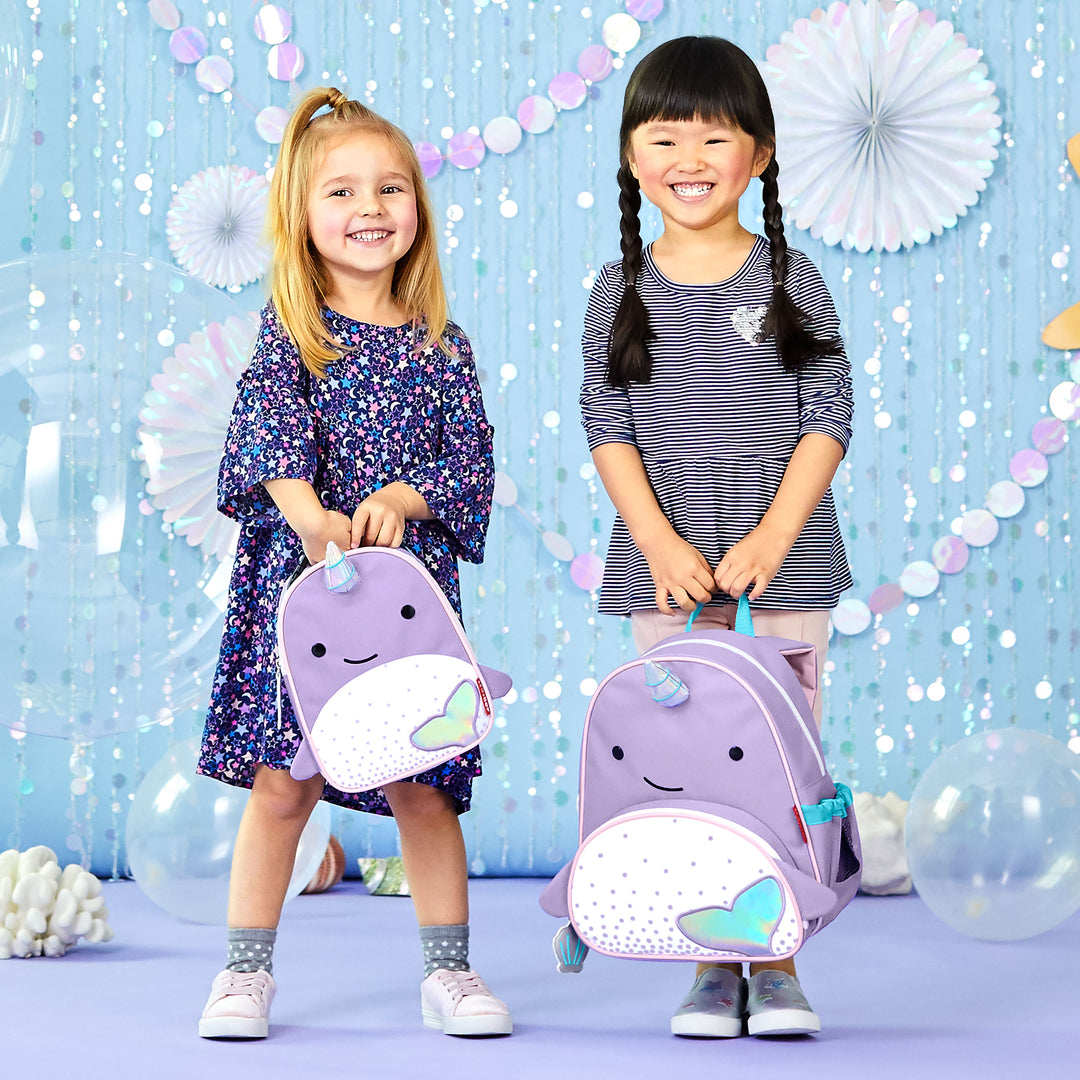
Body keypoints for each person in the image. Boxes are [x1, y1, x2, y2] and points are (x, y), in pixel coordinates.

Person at [195, 86, 512, 1040]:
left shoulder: (442, 347)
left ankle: (449, 971)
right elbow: (266, 433)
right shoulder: (293, 332)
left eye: (390, 188)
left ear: (417, 207)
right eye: (341, 192)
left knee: (422, 780)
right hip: (303, 598)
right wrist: (309, 516)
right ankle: (243, 974)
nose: (369, 208)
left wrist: (403, 500)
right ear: (300, 214)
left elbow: (470, 464)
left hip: (405, 603)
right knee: (284, 782)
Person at [579, 36, 853, 1038]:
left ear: (760, 154)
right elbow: (606, 422)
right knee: (685, 755)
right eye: (664, 138)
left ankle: (774, 960)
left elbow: (829, 411)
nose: (688, 159)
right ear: (631, 156)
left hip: (789, 559)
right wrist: (657, 542)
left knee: (781, 758)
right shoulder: (618, 287)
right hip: (666, 562)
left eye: (713, 137)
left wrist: (777, 533)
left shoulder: (791, 278)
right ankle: (705, 962)